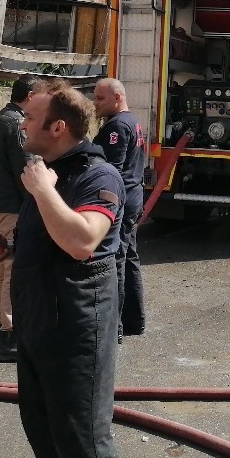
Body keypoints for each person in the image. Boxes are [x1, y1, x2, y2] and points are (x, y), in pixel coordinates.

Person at [0, 80, 126, 458]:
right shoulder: (46, 175)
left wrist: (44, 192)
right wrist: (6, 252)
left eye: (31, 117)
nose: (22, 125)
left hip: (74, 335)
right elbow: (51, 243)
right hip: (37, 326)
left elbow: (82, 242)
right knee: (44, 434)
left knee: (83, 445)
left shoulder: (99, 175)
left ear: (58, 127)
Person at [0, 73, 40, 362]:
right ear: (29, 97)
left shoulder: (0, 120)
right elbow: (24, 167)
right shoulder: (16, 123)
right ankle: (9, 333)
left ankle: (1, 329)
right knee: (13, 269)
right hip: (12, 206)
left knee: (2, 268)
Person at [92, 77, 147, 340]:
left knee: (116, 262)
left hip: (121, 203)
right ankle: (135, 321)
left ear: (117, 98)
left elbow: (112, 170)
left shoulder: (117, 127)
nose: (95, 103)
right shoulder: (132, 122)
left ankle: (116, 327)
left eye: (100, 98)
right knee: (130, 259)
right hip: (133, 197)